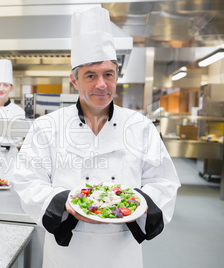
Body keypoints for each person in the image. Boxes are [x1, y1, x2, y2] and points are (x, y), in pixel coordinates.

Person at [13, 6, 181, 268]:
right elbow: (26, 181)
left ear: (116, 76)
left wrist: (138, 203)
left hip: (121, 249)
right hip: (68, 250)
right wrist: (65, 204)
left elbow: (164, 182)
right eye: (90, 75)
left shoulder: (140, 126)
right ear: (75, 80)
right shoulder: (47, 127)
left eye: (108, 74)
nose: (101, 84)